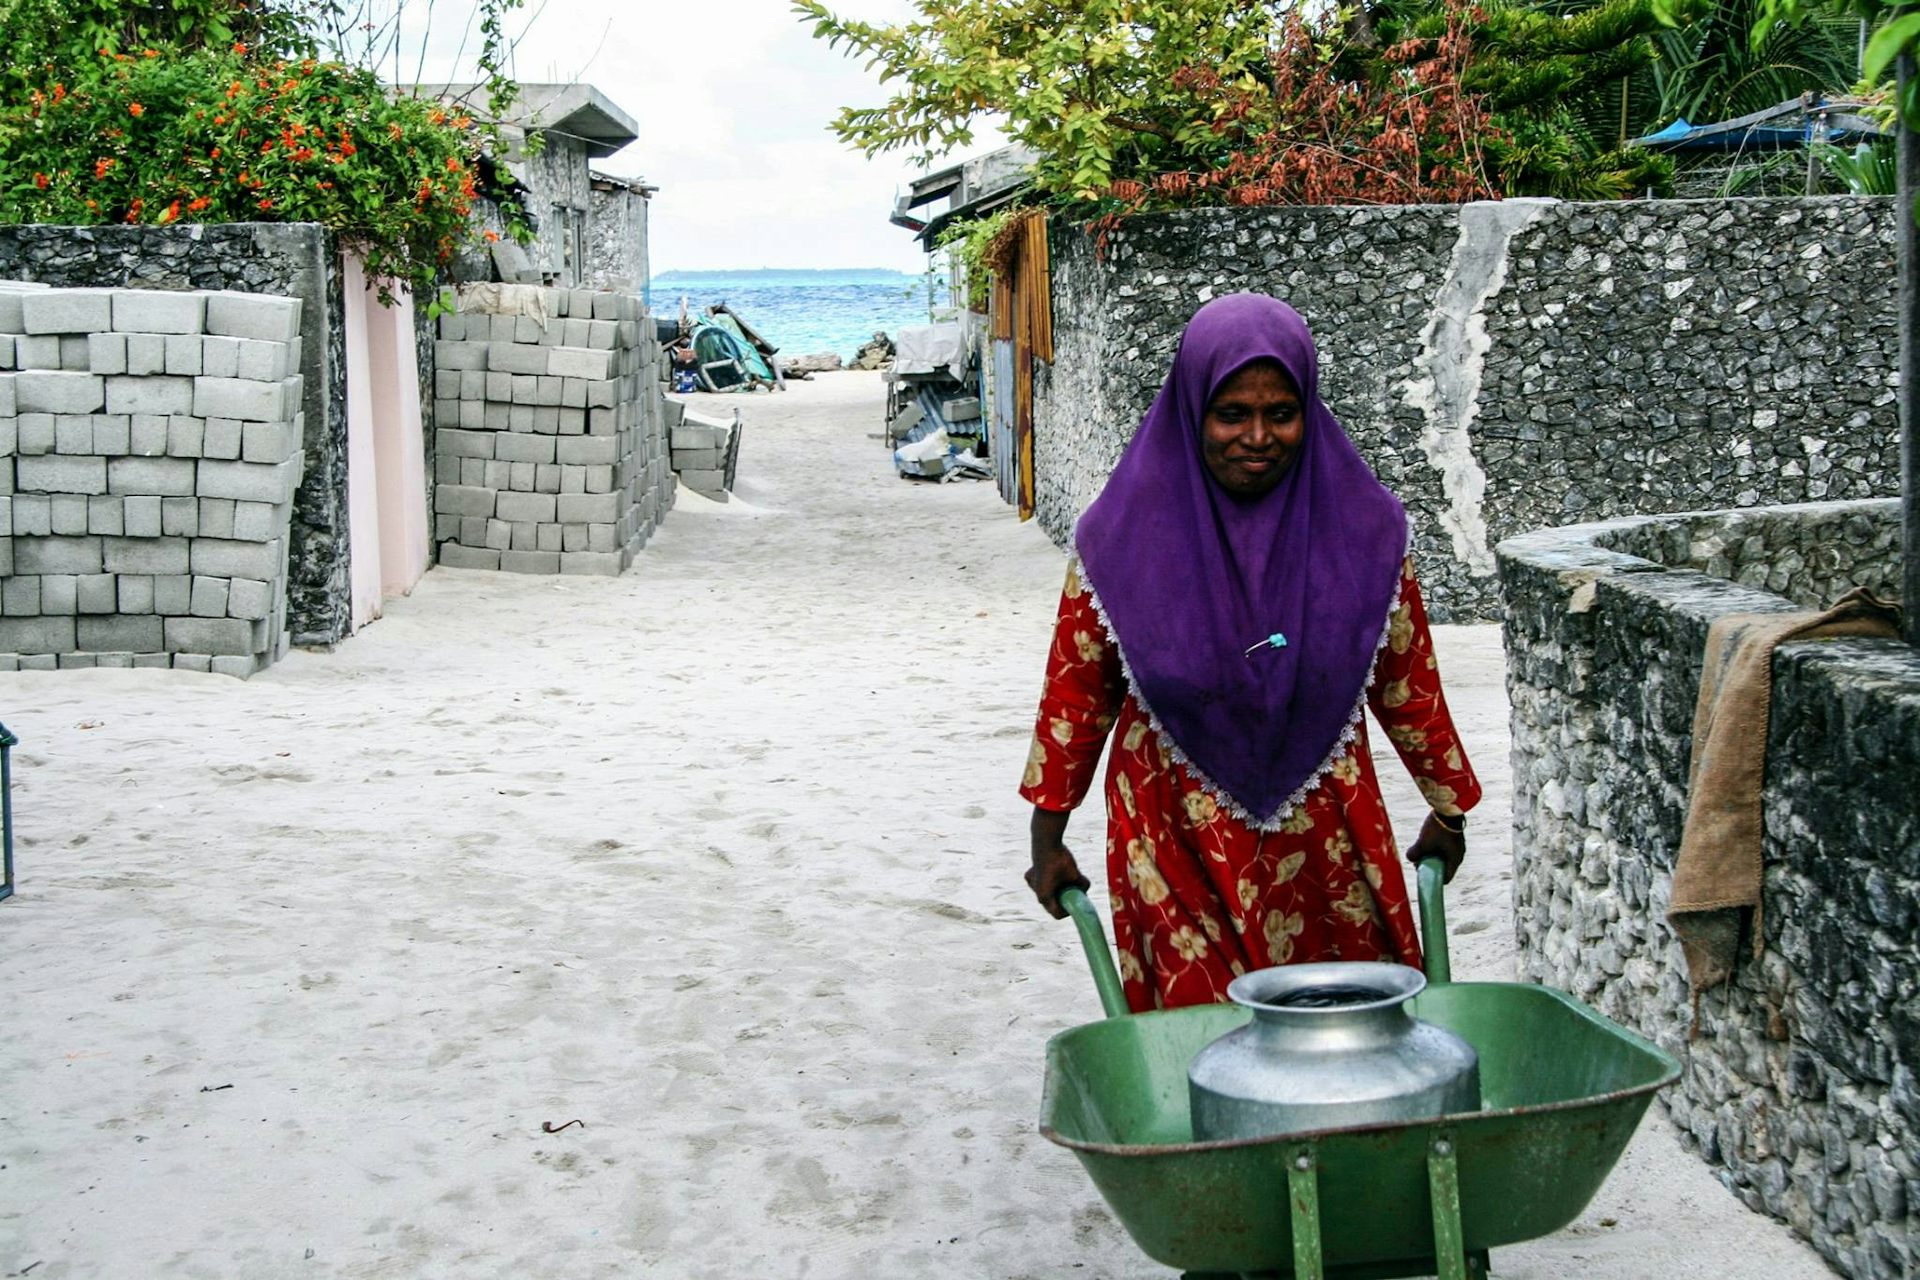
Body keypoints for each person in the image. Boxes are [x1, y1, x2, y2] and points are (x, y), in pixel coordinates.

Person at [1019, 293, 1481, 1012]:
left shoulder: (1367, 535)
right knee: (1201, 1042)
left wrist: (1449, 813)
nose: (1258, 436)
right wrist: (1047, 840)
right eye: (1232, 414)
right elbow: (1076, 700)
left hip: (1328, 835)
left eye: (1281, 413)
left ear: (1310, 410)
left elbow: (1408, 688)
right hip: (1169, 833)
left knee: (1347, 1037)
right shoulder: (1119, 541)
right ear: (1193, 409)